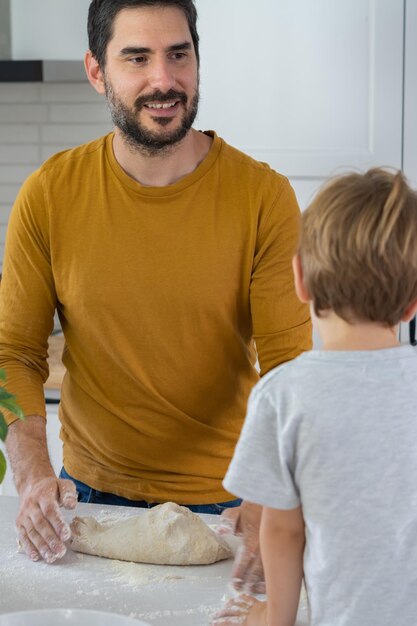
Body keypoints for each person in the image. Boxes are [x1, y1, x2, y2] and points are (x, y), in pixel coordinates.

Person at [0, 0, 311, 572]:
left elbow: (290, 369)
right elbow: (14, 353)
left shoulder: (264, 197)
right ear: (97, 72)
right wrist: (32, 472)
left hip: (228, 506)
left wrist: (275, 494)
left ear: (198, 59)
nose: (163, 80)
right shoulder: (49, 194)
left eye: (178, 55)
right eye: (137, 58)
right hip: (85, 501)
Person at [212, 168, 417, 626]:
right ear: (412, 302)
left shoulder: (283, 396)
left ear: (300, 280)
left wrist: (271, 619)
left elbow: (284, 530)